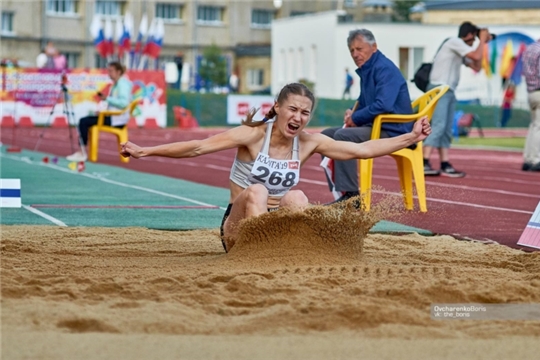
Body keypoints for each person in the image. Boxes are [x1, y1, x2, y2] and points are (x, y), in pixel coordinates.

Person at [119, 83, 432, 252]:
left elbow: (362, 150)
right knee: (257, 190)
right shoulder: (253, 134)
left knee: (296, 197)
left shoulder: (309, 142)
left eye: (305, 112)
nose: (298, 117)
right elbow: (198, 147)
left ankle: (292, 251)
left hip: (278, 226)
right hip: (239, 229)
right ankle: (261, 253)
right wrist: (145, 151)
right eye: (293, 109)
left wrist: (412, 136)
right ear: (278, 108)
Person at [321, 29, 413, 204]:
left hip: (394, 130)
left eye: (360, 49)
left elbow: (383, 104)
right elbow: (364, 100)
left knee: (341, 136)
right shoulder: (367, 69)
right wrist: (351, 110)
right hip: (376, 126)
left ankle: (352, 198)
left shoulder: (385, 69)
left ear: (374, 47)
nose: (355, 54)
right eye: (352, 51)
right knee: (325, 136)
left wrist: (356, 118)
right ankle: (341, 193)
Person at [423, 21, 491, 177]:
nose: (474, 43)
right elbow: (475, 55)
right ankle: (423, 161)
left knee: (447, 128)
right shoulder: (454, 42)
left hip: (449, 90)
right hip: (439, 88)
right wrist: (481, 40)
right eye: (473, 39)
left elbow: (477, 66)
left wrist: (482, 42)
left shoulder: (460, 49)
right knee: (439, 125)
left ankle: (445, 163)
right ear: (468, 35)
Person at [67, 61, 133, 162]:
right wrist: (103, 111)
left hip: (117, 120)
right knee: (87, 119)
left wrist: (107, 99)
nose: (109, 73)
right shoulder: (116, 85)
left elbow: (124, 103)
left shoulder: (122, 84)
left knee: (83, 121)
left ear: (119, 72)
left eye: (111, 71)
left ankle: (81, 152)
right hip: (113, 117)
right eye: (108, 71)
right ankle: (82, 151)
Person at [521, 38, 540, 172]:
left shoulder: (530, 48)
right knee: (539, 126)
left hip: (531, 91)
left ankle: (528, 158)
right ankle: (536, 159)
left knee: (534, 125)